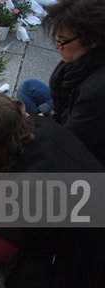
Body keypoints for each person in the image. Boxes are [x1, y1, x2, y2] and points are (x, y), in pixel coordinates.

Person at [0, 92, 105, 288]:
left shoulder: (36, 183)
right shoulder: (37, 126)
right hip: (79, 214)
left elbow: (24, 231)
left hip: (84, 257)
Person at [16, 0, 105, 168]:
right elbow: (63, 98)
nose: (57, 46)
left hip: (88, 154)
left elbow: (69, 142)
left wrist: (32, 126)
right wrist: (46, 111)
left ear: (92, 40)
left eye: (62, 41)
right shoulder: (85, 59)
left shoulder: (97, 92)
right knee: (30, 87)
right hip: (66, 115)